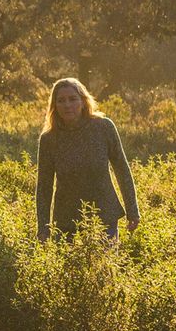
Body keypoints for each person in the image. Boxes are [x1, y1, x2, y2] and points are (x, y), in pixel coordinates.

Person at [36, 77, 138, 242]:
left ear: (83, 101)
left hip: (105, 218)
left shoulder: (103, 127)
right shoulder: (49, 139)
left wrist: (132, 211)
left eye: (73, 99)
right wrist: (43, 227)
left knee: (105, 268)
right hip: (66, 224)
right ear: (54, 106)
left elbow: (122, 169)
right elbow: (44, 186)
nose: (67, 105)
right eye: (61, 100)